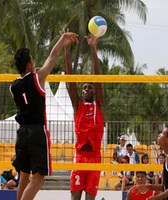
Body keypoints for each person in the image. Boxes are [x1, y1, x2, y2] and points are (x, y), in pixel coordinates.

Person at [10, 32, 78, 200]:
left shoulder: (13, 87)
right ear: (28, 64)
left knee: (24, 177)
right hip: (37, 132)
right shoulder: (38, 77)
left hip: (22, 133)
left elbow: (28, 90)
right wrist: (62, 40)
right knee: (38, 179)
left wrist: (38, 77)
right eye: (32, 59)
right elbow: (53, 56)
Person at [64, 34, 104, 200]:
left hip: (95, 158)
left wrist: (93, 49)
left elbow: (98, 78)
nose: (86, 89)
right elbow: (70, 80)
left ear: (95, 92)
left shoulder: (99, 105)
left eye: (90, 87)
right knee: (75, 198)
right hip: (80, 157)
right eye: (84, 88)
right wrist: (66, 51)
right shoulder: (77, 105)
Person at [133, 124, 168, 200]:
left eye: (162, 133)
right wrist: (148, 187)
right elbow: (165, 186)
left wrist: (157, 198)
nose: (159, 135)